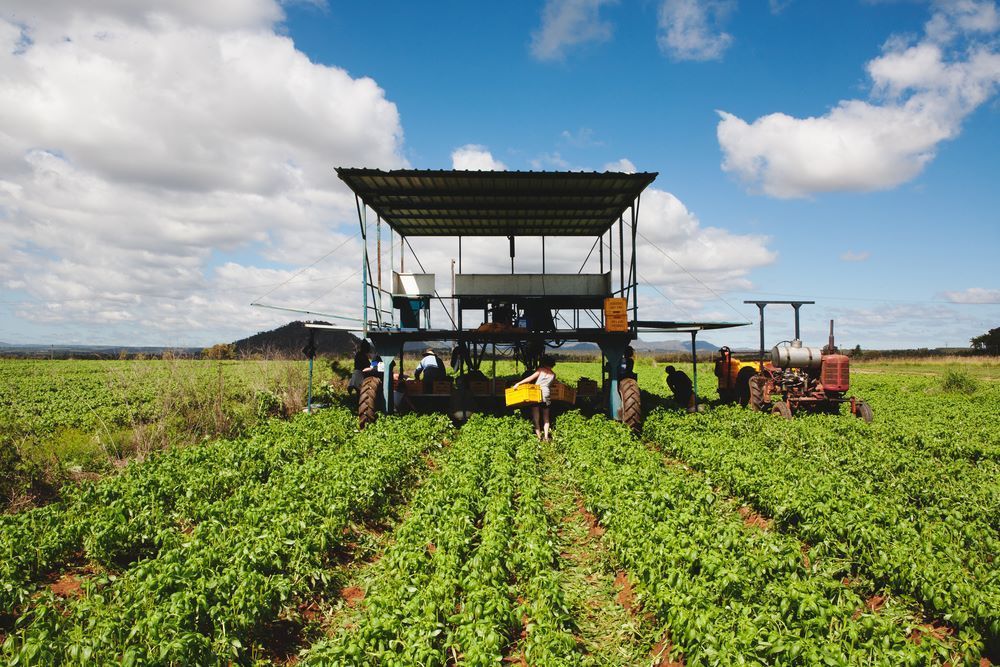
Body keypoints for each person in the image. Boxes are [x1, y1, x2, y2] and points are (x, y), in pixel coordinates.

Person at [512, 355, 556, 441]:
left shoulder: (540, 370)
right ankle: (546, 437)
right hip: (546, 395)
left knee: (536, 417)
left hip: (536, 394)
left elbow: (529, 379)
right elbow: (550, 385)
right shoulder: (553, 374)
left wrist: (518, 383)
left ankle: (539, 437)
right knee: (546, 418)